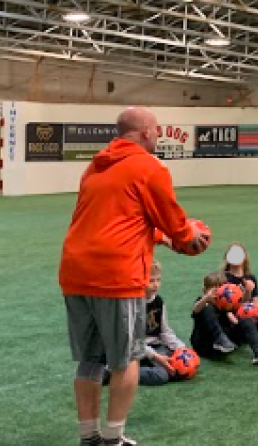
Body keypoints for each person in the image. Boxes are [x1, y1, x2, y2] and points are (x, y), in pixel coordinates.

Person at [59, 106, 210, 446]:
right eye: (157, 129)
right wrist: (188, 237)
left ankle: (89, 436)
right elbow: (175, 222)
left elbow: (118, 218)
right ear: (144, 132)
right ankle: (113, 437)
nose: (159, 134)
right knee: (126, 359)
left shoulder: (95, 166)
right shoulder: (149, 167)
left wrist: (162, 238)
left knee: (90, 359)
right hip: (116, 274)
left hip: (75, 271)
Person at [189, 270, 258, 365]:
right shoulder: (203, 303)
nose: (217, 293)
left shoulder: (226, 303)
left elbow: (241, 307)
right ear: (205, 291)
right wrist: (206, 298)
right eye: (213, 289)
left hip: (228, 343)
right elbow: (195, 310)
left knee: (246, 319)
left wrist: (247, 291)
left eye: (221, 288)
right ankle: (220, 339)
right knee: (207, 307)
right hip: (204, 343)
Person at [221, 242, 258, 346]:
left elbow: (255, 302)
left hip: (251, 315)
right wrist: (247, 291)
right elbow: (226, 308)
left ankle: (252, 333)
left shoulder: (251, 278)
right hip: (234, 319)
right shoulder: (224, 278)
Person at [136, 261, 185, 387]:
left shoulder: (158, 301)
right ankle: (123, 373)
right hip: (136, 349)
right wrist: (155, 356)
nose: (156, 285)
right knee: (162, 375)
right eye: (151, 281)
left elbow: (164, 331)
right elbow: (133, 341)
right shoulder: (133, 303)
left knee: (179, 365)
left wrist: (181, 348)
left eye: (158, 280)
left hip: (156, 346)